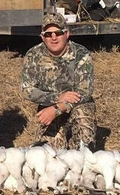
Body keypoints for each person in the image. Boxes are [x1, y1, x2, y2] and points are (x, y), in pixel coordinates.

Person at [20, 13, 96, 150]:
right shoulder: (33, 55)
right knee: (48, 152)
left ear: (66, 34)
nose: (53, 37)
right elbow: (26, 90)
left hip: (77, 106)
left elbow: (85, 91)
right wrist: (57, 98)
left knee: (84, 143)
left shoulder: (81, 53)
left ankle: (82, 151)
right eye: (48, 34)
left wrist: (59, 107)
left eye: (58, 33)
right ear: (42, 37)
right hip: (48, 107)